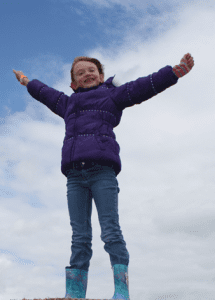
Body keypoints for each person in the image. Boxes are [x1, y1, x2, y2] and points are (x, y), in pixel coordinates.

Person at [13, 53, 194, 300]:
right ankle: (74, 293)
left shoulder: (112, 95)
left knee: (110, 231)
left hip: (102, 173)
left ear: (100, 76)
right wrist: (26, 81)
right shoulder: (67, 104)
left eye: (92, 70)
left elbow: (142, 86)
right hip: (75, 177)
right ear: (73, 84)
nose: (87, 74)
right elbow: (45, 93)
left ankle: (121, 291)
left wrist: (173, 73)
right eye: (80, 73)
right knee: (79, 236)